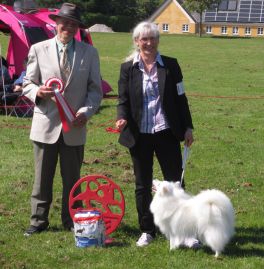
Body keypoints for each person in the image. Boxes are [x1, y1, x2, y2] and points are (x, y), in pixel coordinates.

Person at [23, 3, 103, 236]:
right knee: (41, 179)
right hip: (45, 125)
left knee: (73, 180)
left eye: (73, 23)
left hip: (75, 127)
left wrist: (86, 111)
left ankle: (72, 219)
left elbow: (95, 89)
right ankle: (38, 220)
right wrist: (37, 92)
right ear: (55, 23)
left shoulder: (90, 53)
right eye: (64, 22)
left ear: (78, 27)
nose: (68, 26)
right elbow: (27, 83)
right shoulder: (38, 49)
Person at [115, 22, 194, 247]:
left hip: (167, 132)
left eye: (152, 38)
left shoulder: (170, 65)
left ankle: (182, 230)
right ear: (136, 41)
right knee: (142, 184)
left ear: (158, 40)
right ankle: (147, 230)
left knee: (176, 182)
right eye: (144, 39)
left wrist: (188, 127)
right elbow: (123, 100)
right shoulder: (127, 68)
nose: (148, 43)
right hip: (139, 135)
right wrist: (121, 117)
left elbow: (181, 98)